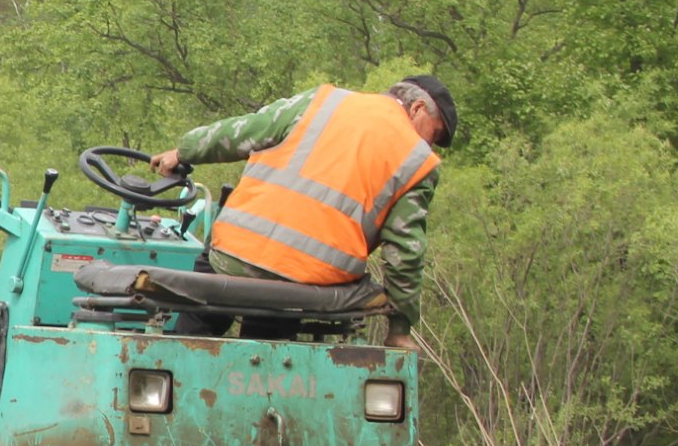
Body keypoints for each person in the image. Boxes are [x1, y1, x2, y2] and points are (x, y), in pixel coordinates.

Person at [152, 75, 455, 351]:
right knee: (267, 351)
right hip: (307, 284)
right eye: (434, 133)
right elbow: (406, 255)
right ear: (416, 108)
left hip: (233, 257)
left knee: (193, 327)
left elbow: (240, 132)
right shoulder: (418, 161)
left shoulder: (323, 101)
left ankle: (178, 358)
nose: (430, 145)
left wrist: (181, 153)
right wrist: (399, 329)